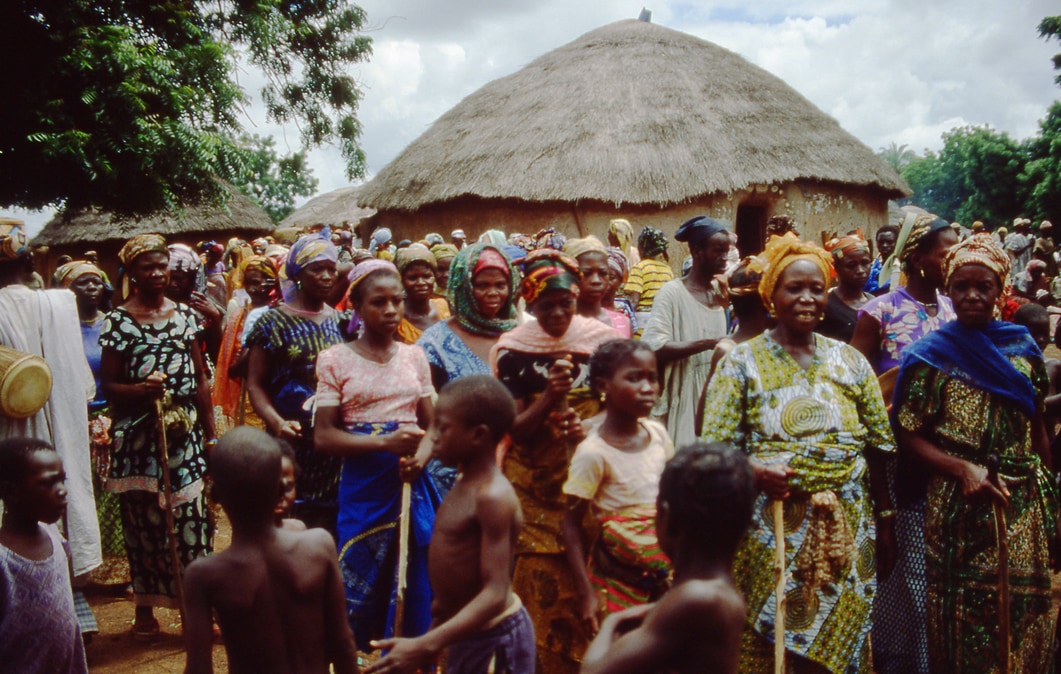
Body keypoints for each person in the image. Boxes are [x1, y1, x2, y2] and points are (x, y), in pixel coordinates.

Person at [700, 232, 895, 673]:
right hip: (770, 526)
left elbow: (879, 446)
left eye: (816, 289)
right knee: (774, 641)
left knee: (840, 639)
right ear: (771, 296)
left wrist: (885, 519)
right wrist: (754, 470)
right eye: (795, 288)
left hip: (848, 524)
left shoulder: (849, 361)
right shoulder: (741, 362)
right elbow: (713, 447)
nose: (808, 298)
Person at [892, 234, 1057, 672]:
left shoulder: (1023, 350)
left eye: (983, 286)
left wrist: (1051, 503)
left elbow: (1037, 428)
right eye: (961, 286)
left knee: (1024, 606)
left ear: (1000, 290)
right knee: (960, 614)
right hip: (958, 505)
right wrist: (962, 467)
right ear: (947, 289)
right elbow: (907, 435)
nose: (971, 296)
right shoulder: (928, 357)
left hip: (1023, 503)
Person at [490, 249, 618, 674]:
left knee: (595, 584)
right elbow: (515, 428)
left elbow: (617, 411)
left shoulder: (600, 342)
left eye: (566, 302)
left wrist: (587, 429)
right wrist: (548, 398)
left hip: (591, 483)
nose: (559, 312)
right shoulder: (513, 351)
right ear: (529, 305)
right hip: (534, 490)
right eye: (547, 306)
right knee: (540, 590)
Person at [365, 376, 533, 674]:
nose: (434, 436)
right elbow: (458, 574)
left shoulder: (492, 496)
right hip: (465, 635)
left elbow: (495, 594)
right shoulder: (462, 483)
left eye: (442, 428)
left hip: (494, 639)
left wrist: (425, 643)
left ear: (478, 436)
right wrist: (437, 629)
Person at [314, 259, 440, 649]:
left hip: (410, 480)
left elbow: (434, 423)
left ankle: (407, 652)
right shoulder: (335, 359)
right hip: (364, 486)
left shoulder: (414, 357)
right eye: (378, 302)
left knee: (413, 575)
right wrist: (384, 443)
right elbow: (325, 436)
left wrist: (421, 456)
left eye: (396, 302)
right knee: (358, 574)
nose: (390, 310)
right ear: (356, 308)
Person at [99, 233, 217, 637]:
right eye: (147, 267)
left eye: (162, 265)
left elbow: (201, 378)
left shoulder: (185, 316)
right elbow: (109, 387)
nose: (157, 274)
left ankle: (194, 613)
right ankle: (146, 615)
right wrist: (139, 391)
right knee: (144, 524)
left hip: (183, 434)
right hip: (137, 439)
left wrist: (211, 435)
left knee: (193, 522)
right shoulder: (118, 321)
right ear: (131, 273)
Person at [182, 427, 358, 674]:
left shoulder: (204, 575)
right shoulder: (319, 545)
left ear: (216, 495)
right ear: (280, 488)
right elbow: (342, 643)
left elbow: (199, 669)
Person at [579, 442, 753, 674]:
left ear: (666, 517)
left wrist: (613, 622)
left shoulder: (698, 597)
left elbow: (593, 671)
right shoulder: (719, 591)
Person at [0, 222, 102, 593]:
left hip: (8, 434)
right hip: (62, 429)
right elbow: (82, 385)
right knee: (62, 494)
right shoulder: (61, 304)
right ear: (30, 265)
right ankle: (70, 597)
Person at [562, 340, 673, 634]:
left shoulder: (658, 435)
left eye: (652, 377)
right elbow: (572, 525)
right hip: (616, 579)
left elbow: (673, 497)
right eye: (634, 378)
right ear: (603, 385)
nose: (647, 387)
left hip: (663, 576)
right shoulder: (593, 453)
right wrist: (586, 594)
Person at [246, 230, 346, 532]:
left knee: (330, 523)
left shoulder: (343, 321)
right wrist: (276, 422)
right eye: (318, 269)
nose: (328, 276)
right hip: (291, 438)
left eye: (332, 269)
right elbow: (255, 383)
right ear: (298, 273)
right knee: (289, 521)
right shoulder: (272, 322)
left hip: (333, 443)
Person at [56, 260, 128, 584]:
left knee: (112, 491)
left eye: (96, 282)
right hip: (73, 418)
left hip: (111, 416)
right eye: (81, 283)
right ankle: (84, 565)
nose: (91, 288)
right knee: (81, 489)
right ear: (65, 291)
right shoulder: (58, 330)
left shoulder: (113, 324)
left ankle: (116, 569)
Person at [0, 438, 89, 674]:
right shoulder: (4, 561)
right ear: (11, 491)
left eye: (62, 480)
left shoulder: (54, 537)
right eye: (48, 483)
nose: (62, 491)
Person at [641, 216, 729, 448]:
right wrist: (710, 343)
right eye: (718, 250)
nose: (724, 258)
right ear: (696, 251)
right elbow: (654, 347)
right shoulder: (672, 293)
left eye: (727, 251)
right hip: (685, 391)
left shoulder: (719, 293)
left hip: (716, 393)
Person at [851, 213, 959, 375]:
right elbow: (851, 372)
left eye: (956, 255)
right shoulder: (880, 312)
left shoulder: (952, 309)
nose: (954, 262)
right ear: (917, 260)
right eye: (944, 256)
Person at [213, 255, 277, 432]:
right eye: (248, 283)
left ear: (272, 282)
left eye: (258, 283)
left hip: (274, 392)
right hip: (246, 393)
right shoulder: (239, 315)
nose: (253, 289)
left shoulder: (280, 314)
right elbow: (232, 369)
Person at [166, 243, 225, 360]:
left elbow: (217, 352)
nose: (173, 284)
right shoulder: (155, 305)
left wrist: (215, 317)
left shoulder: (202, 306)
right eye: (169, 278)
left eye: (179, 278)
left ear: (192, 278)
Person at [566, 236, 632, 337]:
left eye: (603, 273)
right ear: (569, 275)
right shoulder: (561, 325)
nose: (596, 281)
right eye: (586, 273)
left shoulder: (623, 323)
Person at [818, 232, 873, 342]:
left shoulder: (873, 301)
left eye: (865, 263)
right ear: (836, 268)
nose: (860, 271)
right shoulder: (826, 307)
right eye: (851, 266)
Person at [395, 243, 451, 344]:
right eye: (412, 278)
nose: (421, 283)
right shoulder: (397, 318)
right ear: (401, 280)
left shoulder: (443, 306)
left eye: (426, 276)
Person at [624, 226, 673, 328]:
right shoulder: (668, 270)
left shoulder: (639, 268)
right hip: (663, 320)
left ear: (641, 248)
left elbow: (634, 301)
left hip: (643, 322)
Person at [275, 439, 306, 531]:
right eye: (271, 488)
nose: (280, 496)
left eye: (288, 487)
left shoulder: (297, 529)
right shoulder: (243, 536)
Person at [864, 225, 899, 295]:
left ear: (897, 243)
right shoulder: (872, 267)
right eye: (881, 242)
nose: (885, 245)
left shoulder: (900, 269)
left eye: (889, 242)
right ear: (876, 243)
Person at [1005, 217, 1034, 281]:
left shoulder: (1030, 237)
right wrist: (1028, 246)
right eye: (1027, 226)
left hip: (1028, 262)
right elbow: (1013, 252)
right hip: (1020, 264)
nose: (1029, 228)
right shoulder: (1017, 238)